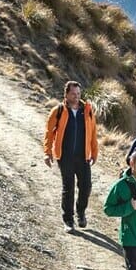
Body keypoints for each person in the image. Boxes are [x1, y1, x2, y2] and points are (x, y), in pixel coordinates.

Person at [43, 80, 98, 232]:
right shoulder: (58, 111)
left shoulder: (87, 111)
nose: (76, 96)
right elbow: (48, 133)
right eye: (73, 94)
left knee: (86, 186)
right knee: (68, 188)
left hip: (82, 156)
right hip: (65, 156)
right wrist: (47, 153)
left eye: (78, 93)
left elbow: (93, 133)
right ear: (66, 94)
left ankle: (81, 212)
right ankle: (68, 220)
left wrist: (94, 152)